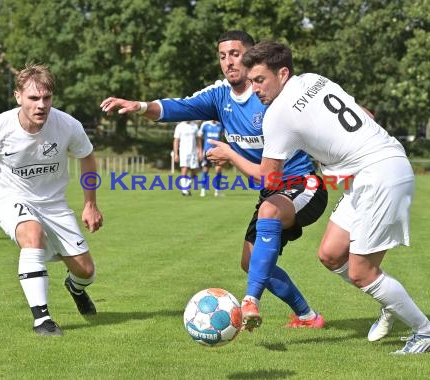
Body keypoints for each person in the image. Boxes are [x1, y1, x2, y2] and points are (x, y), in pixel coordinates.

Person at [100, 31, 328, 331]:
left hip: (304, 184)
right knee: (251, 262)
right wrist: (140, 106)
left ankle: (250, 301)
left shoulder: (276, 94)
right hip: (272, 191)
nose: (228, 62)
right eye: (222, 56)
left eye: (235, 54)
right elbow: (175, 108)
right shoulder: (219, 97)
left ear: (251, 56)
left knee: (269, 215)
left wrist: (231, 153)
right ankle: (308, 317)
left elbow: (319, 116)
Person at [242, 41, 430, 354]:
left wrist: (229, 153)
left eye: (259, 80)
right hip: (377, 169)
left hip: (378, 175)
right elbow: (366, 114)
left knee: (362, 272)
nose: (254, 88)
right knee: (331, 254)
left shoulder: (276, 114)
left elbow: (269, 179)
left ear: (282, 73)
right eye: (251, 81)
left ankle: (426, 331)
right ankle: (389, 300)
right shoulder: (315, 80)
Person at [0, 64, 103, 336]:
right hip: (10, 197)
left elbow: (87, 157)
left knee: (86, 271)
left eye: (47, 98)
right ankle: (43, 320)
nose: (41, 105)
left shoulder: (67, 125)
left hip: (54, 203)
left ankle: (74, 288)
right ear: (18, 97)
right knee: (32, 233)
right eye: (33, 98)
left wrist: (90, 203)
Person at [173, 120, 201, 196]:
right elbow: (176, 140)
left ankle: (187, 186)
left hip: (194, 152)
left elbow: (198, 139)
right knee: (184, 169)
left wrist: (200, 151)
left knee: (195, 170)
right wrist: (176, 154)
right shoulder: (179, 126)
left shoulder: (195, 126)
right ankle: (184, 190)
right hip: (183, 151)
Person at [197, 120, 224, 197]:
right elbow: (199, 137)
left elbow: (222, 138)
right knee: (205, 170)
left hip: (217, 152)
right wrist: (200, 150)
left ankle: (217, 190)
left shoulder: (220, 125)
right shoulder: (205, 125)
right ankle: (203, 190)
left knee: (218, 169)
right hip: (207, 151)